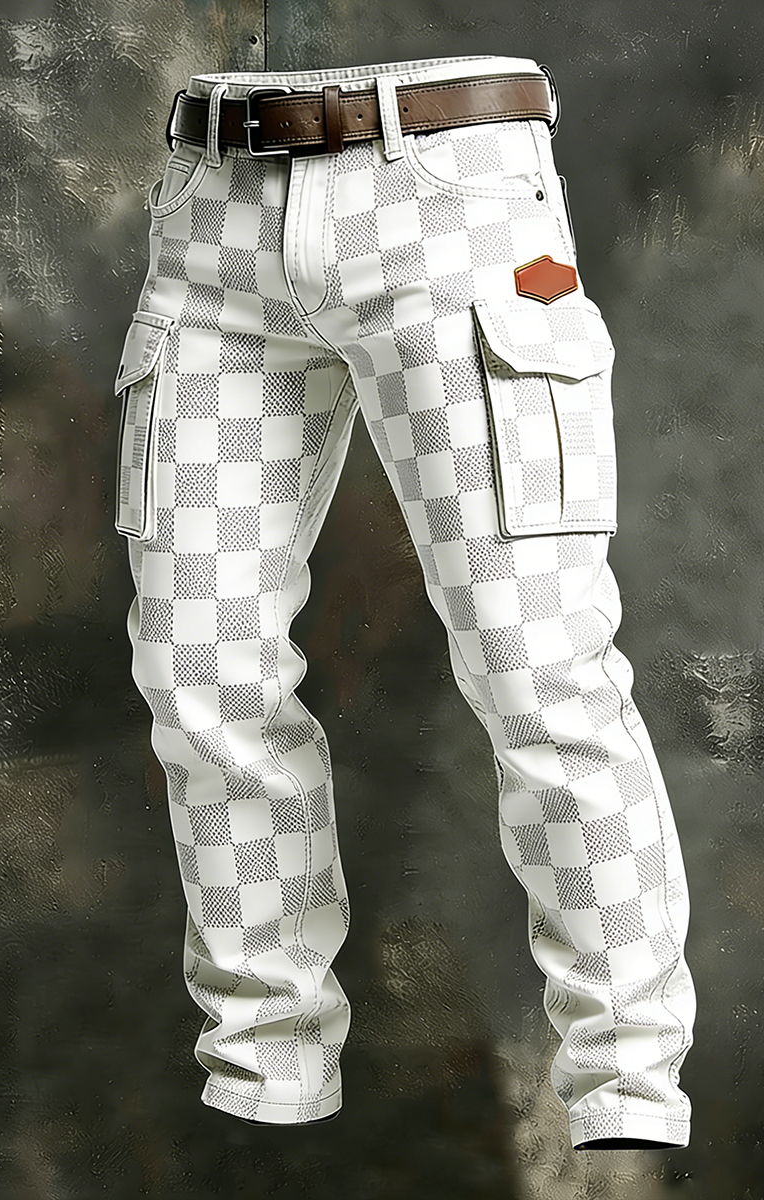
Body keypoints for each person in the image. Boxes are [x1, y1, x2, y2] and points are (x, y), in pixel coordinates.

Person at [113, 53, 696, 1149]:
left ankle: (628, 1085)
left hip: (449, 189)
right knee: (198, 673)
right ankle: (267, 1068)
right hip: (213, 207)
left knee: (536, 670)